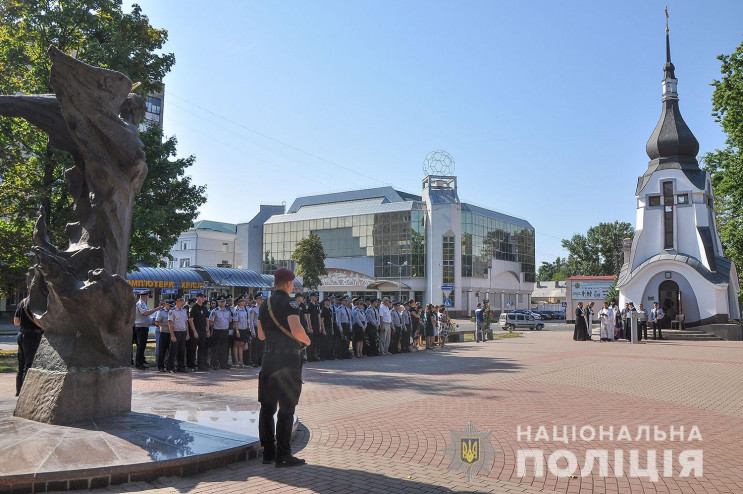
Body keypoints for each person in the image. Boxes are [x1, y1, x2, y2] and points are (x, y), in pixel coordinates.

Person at [257, 268, 311, 468]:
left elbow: (261, 335)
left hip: (268, 359)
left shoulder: (265, 304)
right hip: (288, 361)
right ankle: (284, 454)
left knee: (267, 408)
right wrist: (307, 340)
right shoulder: (290, 302)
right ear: (289, 283)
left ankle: (268, 453)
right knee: (286, 408)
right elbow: (297, 330)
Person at [14, 286, 43, 397]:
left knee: (21, 365)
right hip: (32, 336)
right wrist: (45, 327)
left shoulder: (23, 301)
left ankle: (18, 392)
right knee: (29, 365)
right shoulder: (35, 302)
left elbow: (16, 322)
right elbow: (36, 319)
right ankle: (26, 394)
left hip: (21, 334)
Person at [133, 290, 159, 370]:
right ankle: (139, 363)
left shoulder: (143, 303)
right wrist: (156, 309)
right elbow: (145, 313)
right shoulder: (141, 303)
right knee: (141, 346)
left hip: (143, 326)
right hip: (141, 327)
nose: (148, 297)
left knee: (142, 345)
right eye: (147, 296)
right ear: (144, 296)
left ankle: (142, 360)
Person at [167, 297, 190, 373]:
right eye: (180, 301)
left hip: (183, 332)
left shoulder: (184, 311)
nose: (182, 302)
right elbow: (170, 324)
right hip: (176, 332)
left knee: (182, 350)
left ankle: (181, 366)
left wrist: (187, 334)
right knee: (173, 350)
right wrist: (172, 335)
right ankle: (170, 367)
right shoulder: (172, 311)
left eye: (183, 301)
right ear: (177, 302)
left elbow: (186, 323)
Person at [188, 292, 210, 371]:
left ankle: (201, 365)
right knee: (193, 349)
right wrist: (194, 331)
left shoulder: (204, 308)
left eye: (204, 297)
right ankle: (191, 365)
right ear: (197, 297)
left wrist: (207, 330)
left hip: (203, 331)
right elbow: (191, 320)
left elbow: (207, 319)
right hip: (196, 331)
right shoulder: (194, 307)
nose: (203, 298)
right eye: (201, 297)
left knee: (202, 349)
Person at [209, 297, 232, 369]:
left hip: (225, 331)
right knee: (216, 348)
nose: (222, 303)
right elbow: (210, 322)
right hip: (217, 331)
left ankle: (223, 363)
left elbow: (230, 321)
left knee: (224, 348)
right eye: (221, 302)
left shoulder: (228, 311)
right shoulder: (215, 311)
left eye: (223, 301)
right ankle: (214, 363)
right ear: (218, 303)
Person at [154, 299, 173, 371]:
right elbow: (156, 323)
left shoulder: (172, 311)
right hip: (164, 332)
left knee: (171, 350)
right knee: (162, 350)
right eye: (170, 306)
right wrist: (166, 324)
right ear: (166, 304)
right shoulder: (161, 312)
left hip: (171, 333)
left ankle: (169, 366)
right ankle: (161, 366)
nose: (171, 307)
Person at [232, 297, 249, 367]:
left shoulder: (244, 309)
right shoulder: (236, 310)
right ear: (239, 303)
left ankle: (241, 361)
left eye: (243, 301)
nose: (243, 302)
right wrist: (237, 331)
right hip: (238, 329)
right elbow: (235, 322)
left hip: (243, 329)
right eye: (241, 301)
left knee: (241, 345)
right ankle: (236, 361)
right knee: (236, 345)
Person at [306, 291, 322, 361]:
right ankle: (310, 356)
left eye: (317, 296)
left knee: (316, 342)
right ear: (311, 297)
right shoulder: (309, 305)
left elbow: (319, 317)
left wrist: (320, 326)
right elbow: (308, 317)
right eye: (315, 296)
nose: (316, 298)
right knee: (311, 342)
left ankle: (314, 355)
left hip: (316, 325)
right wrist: (309, 327)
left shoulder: (317, 306)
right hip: (312, 325)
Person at [250, 294, 265, 367]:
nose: (261, 301)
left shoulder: (264, 308)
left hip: (262, 328)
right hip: (256, 328)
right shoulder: (253, 309)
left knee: (262, 345)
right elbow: (251, 321)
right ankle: (254, 361)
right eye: (259, 299)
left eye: (262, 299)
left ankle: (260, 360)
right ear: (256, 300)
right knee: (255, 346)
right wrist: (252, 331)